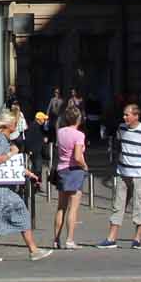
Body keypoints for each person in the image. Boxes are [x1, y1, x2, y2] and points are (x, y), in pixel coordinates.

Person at [0, 113, 44, 261]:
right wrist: (11, 152)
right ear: (7, 124)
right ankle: (33, 250)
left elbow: (9, 166)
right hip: (3, 190)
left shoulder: (3, 139)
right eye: (14, 122)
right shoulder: (1, 139)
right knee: (22, 213)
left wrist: (28, 173)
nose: (16, 125)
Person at [97, 100, 141, 249]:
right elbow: (120, 144)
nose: (124, 117)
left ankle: (137, 239)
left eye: (127, 115)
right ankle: (111, 238)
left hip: (139, 174)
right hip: (122, 173)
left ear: (136, 116)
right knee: (118, 205)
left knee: (139, 206)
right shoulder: (121, 128)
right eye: (124, 115)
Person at [51, 103, 87, 249]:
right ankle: (70, 239)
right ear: (78, 119)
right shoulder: (79, 135)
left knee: (61, 207)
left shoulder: (60, 132)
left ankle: (56, 239)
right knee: (73, 208)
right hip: (74, 170)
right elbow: (78, 156)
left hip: (61, 169)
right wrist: (84, 166)